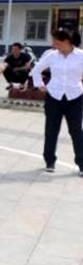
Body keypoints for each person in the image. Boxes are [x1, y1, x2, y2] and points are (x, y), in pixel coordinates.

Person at [31, 29, 83, 175]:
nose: (52, 43)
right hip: (54, 96)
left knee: (77, 131)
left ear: (66, 41)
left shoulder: (81, 56)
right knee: (51, 130)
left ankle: (82, 163)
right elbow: (36, 69)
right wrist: (39, 84)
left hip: (75, 97)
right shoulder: (51, 55)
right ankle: (50, 161)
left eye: (55, 41)